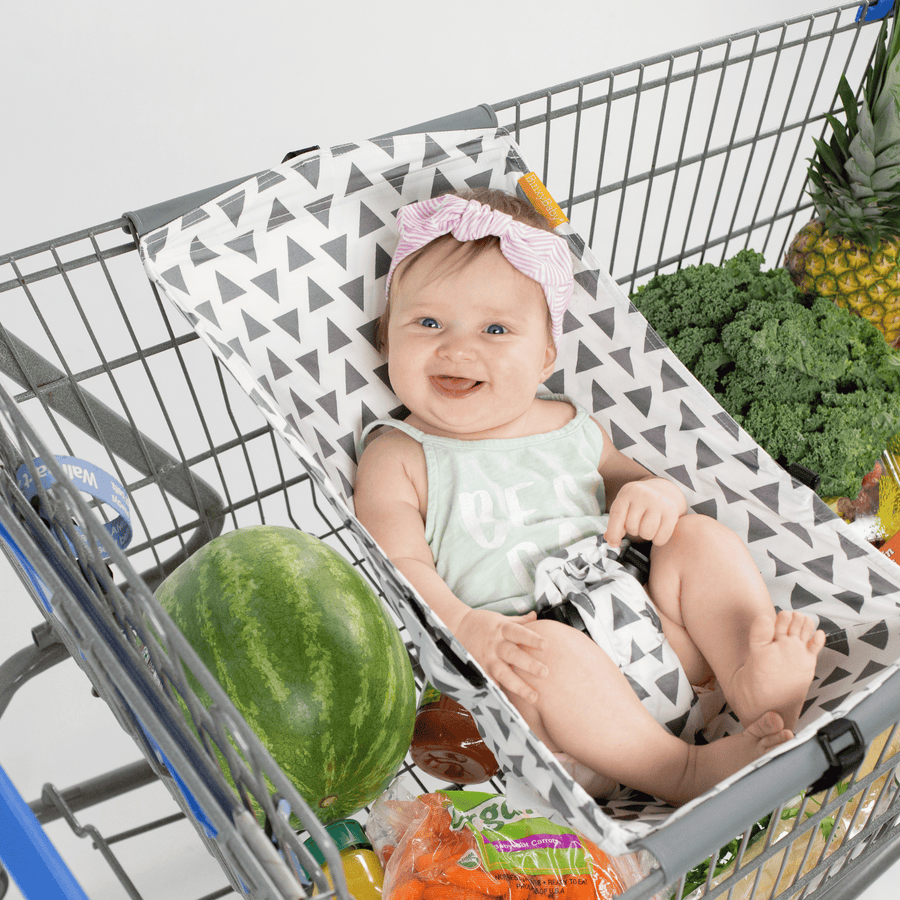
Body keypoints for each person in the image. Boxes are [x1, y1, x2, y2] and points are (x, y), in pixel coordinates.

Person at [353, 188, 826, 806]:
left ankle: (749, 679)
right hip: (557, 692)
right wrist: (468, 626)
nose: (458, 347)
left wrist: (655, 494)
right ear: (389, 338)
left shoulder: (571, 423)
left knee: (695, 537)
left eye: (496, 328)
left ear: (545, 355)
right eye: (428, 323)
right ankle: (680, 771)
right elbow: (401, 563)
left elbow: (631, 481)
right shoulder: (400, 453)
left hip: (659, 638)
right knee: (546, 656)